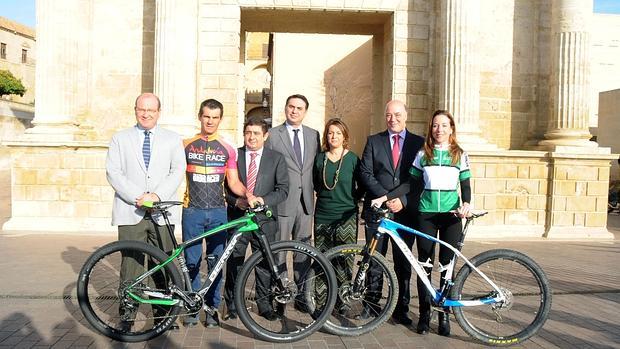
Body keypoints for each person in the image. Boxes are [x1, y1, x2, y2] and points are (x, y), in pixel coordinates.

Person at [374, 109, 472, 336]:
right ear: (431, 129)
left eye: (444, 125)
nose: (439, 130)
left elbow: (465, 184)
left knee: (447, 268)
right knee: (425, 266)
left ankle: (444, 316)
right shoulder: (423, 153)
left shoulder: (460, 154)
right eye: (436, 126)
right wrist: (387, 197)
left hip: (451, 217)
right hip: (425, 215)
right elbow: (410, 184)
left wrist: (466, 203)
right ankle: (425, 316)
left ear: (451, 129)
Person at [105, 92, 186, 330]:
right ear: (135, 110)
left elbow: (177, 170)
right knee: (131, 263)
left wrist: (156, 196)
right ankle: (128, 315)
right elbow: (114, 172)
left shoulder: (172, 139)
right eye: (142, 109)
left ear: (159, 112)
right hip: (131, 210)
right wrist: (138, 197)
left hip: (162, 212)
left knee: (162, 263)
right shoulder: (120, 138)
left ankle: (163, 316)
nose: (146, 113)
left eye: (151, 110)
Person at [181, 98, 247, 328]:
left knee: (216, 263)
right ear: (200, 116)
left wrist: (249, 196)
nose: (210, 121)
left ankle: (211, 310)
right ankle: (191, 309)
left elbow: (235, 182)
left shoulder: (228, 148)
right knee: (191, 262)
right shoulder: (185, 144)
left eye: (215, 117)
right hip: (192, 212)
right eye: (206, 116)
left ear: (220, 119)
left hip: (219, 212)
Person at [358, 100, 424, 326]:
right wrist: (386, 197)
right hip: (377, 210)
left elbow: (420, 178)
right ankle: (371, 304)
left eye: (397, 114)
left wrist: (402, 200)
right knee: (373, 259)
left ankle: (401, 308)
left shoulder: (419, 143)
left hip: (404, 212)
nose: (392, 119)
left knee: (402, 261)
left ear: (406, 115)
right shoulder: (373, 141)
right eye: (388, 115)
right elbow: (365, 172)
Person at [223, 117, 289, 321]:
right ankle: (232, 304)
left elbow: (283, 189)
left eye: (256, 133)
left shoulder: (276, 158)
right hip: (238, 218)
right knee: (235, 261)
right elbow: (225, 187)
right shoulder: (234, 155)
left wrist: (264, 200)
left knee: (265, 264)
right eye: (248, 132)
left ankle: (264, 304)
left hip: (265, 220)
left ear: (265, 136)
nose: (251, 137)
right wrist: (236, 202)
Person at [265, 94, 320, 306]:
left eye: (299, 108)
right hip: (282, 202)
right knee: (279, 250)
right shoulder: (273, 135)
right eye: (291, 107)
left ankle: (301, 297)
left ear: (305, 111)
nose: (294, 111)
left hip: (306, 202)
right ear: (285, 108)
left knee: (304, 251)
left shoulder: (313, 135)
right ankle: (280, 294)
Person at [313, 118, 361, 252]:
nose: (334, 136)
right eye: (330, 133)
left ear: (344, 136)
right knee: (323, 258)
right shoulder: (319, 158)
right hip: (323, 215)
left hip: (346, 215)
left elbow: (362, 185)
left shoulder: (353, 159)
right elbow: (316, 184)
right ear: (326, 135)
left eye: (338, 133)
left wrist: (352, 198)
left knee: (345, 258)